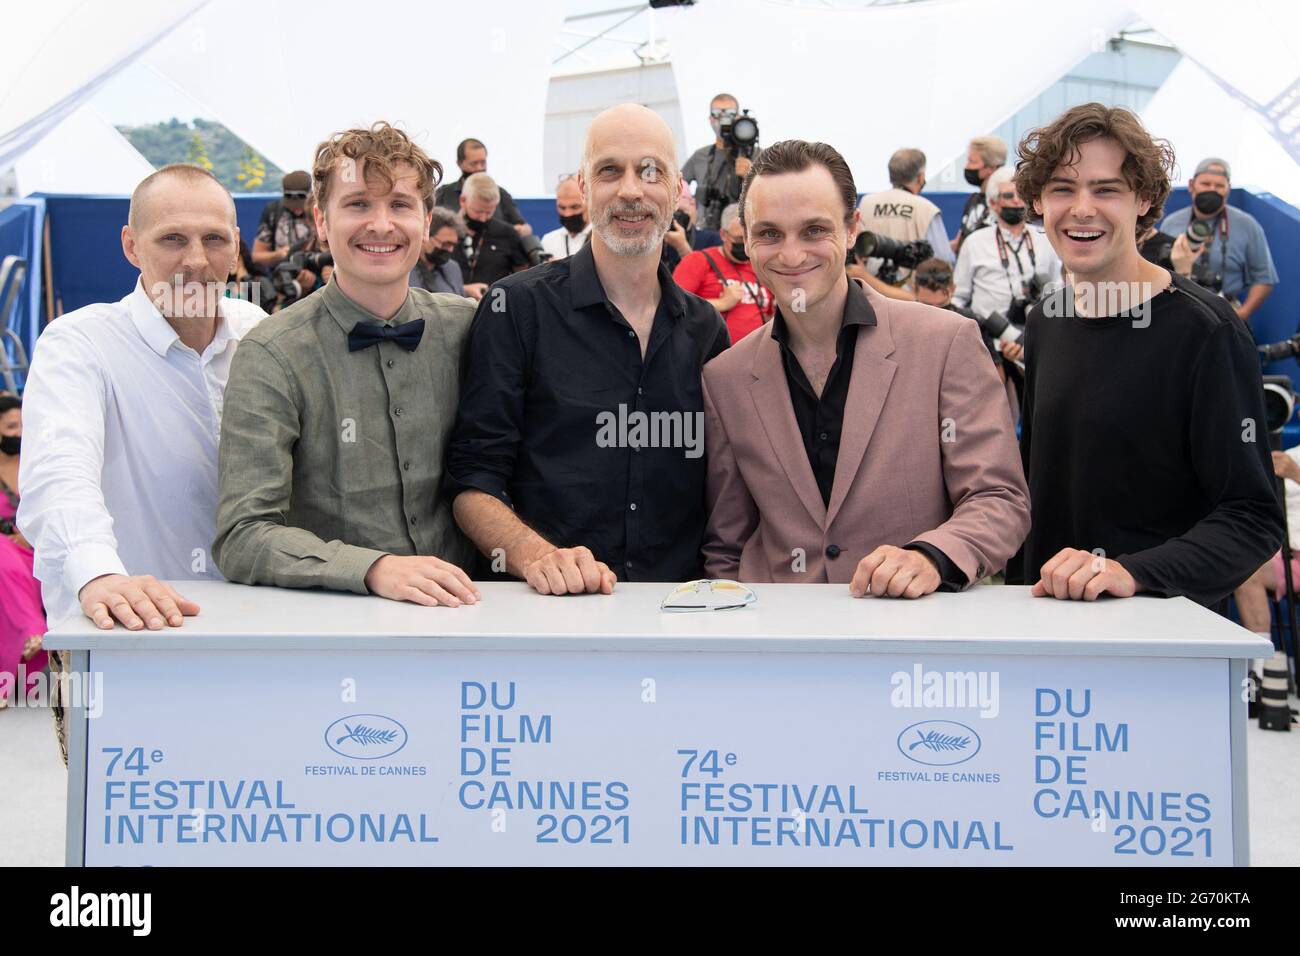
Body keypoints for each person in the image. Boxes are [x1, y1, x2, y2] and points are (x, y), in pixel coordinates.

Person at [702, 140, 1030, 594]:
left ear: (852, 228)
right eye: (769, 234)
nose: (792, 255)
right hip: (778, 644)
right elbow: (726, 544)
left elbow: (1000, 499)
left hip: (909, 639)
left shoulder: (944, 342)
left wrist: (931, 557)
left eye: (814, 230)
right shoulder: (725, 378)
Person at [447, 103, 729, 595]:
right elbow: (473, 481)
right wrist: (537, 556)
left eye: (650, 171)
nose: (630, 190)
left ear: (676, 189)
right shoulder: (515, 309)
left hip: (677, 616)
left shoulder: (706, 330)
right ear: (583, 186)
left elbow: (725, 485)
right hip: (548, 616)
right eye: (609, 171)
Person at [1014, 103, 1282, 604]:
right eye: (1062, 189)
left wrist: (1132, 572)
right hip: (1044, 637)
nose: (1082, 208)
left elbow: (1253, 517)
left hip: (1158, 651)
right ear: (1038, 202)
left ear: (1145, 200)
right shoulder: (1045, 321)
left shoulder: (1206, 332)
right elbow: (1038, 490)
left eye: (1106, 189)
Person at [214, 122, 478, 608]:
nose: (381, 224)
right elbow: (242, 535)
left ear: (425, 219)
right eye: (358, 204)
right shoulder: (271, 353)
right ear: (320, 220)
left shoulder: (472, 330)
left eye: (400, 204)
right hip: (333, 635)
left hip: (472, 621)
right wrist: (370, 568)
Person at [18, 164, 266, 632]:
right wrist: (99, 572)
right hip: (130, 636)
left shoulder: (257, 329)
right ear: (131, 245)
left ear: (235, 245)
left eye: (213, 239)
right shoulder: (78, 343)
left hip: (252, 629)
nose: (195, 259)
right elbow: (58, 471)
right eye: (173, 239)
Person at [1159, 157, 1279, 321]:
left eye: (1219, 186)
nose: (1212, 190)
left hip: (1225, 313)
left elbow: (1264, 278)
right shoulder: (1171, 223)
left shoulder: (1247, 225)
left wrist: (1242, 315)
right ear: (1191, 185)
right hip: (1178, 309)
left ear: (1228, 190)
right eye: (1206, 184)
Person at [952, 168, 1062, 322]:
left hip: (1038, 330)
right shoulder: (974, 243)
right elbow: (958, 297)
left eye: (1021, 195)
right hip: (990, 335)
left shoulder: (1044, 238)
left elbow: (1058, 287)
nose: (1016, 201)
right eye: (1008, 196)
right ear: (993, 202)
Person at [0, 393, 46, 706]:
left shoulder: (38, 463)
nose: (19, 432)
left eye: (23, 425)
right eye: (11, 426)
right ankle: (33, 631)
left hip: (37, 548)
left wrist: (33, 536)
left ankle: (34, 633)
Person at [672, 203, 772, 344]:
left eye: (751, 238)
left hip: (757, 356)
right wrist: (721, 303)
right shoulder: (698, 261)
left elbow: (768, 313)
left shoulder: (761, 266)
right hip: (710, 356)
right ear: (724, 235)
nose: (746, 245)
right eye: (739, 239)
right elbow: (672, 306)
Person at [854, 148, 954, 287]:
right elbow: (943, 260)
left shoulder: (866, 203)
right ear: (920, 177)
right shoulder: (926, 209)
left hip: (869, 289)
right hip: (911, 296)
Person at [1234, 447, 1300, 643]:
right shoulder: (1288, 456)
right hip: (1290, 558)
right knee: (1246, 571)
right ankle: (1261, 666)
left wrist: (1296, 475)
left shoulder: (1291, 464)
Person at [681, 92, 754, 230]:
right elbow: (677, 186)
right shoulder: (700, 156)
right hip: (708, 229)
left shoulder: (756, 154)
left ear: (739, 118)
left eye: (730, 114)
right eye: (718, 114)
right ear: (710, 119)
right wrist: (688, 206)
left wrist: (753, 176)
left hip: (746, 231)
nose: (724, 120)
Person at [434, 138, 531, 237]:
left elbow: (525, 228)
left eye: (483, 163)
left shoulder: (500, 194)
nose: (479, 168)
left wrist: (509, 231)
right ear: (459, 164)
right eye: (474, 164)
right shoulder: (444, 194)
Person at [454, 173, 529, 300]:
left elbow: (523, 276)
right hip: (450, 307)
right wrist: (463, 290)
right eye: (478, 212)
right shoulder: (443, 232)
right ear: (463, 201)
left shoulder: (508, 233)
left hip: (495, 309)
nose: (483, 218)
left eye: (489, 212)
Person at [252, 170, 317, 270]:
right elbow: (257, 256)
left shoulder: (320, 211)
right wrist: (279, 255)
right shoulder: (273, 212)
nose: (297, 211)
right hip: (282, 276)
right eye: (291, 206)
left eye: (301, 206)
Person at [954, 135, 1007, 253]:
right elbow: (959, 243)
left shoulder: (1005, 205)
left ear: (991, 168)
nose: (966, 166)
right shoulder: (973, 200)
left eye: (972, 162)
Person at [410, 206, 466, 296]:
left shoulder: (453, 269)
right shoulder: (404, 269)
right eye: (445, 244)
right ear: (425, 235)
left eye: (453, 245)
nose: (450, 249)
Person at [540, 176, 591, 260]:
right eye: (562, 208)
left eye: (575, 207)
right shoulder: (548, 241)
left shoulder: (603, 240)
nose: (567, 214)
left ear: (589, 202)